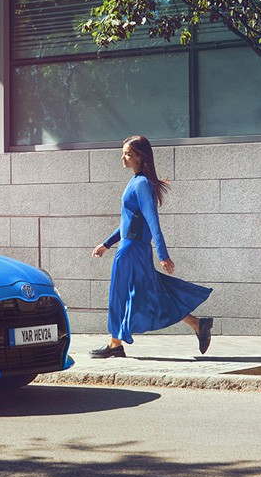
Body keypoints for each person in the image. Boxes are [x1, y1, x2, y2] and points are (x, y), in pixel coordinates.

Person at [89, 135, 213, 358]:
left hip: (132, 251)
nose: (123, 158)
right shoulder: (135, 181)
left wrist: (163, 255)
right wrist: (106, 244)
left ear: (140, 156)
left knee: (120, 295)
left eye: (128, 154)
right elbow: (127, 222)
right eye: (123, 153)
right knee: (152, 291)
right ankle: (197, 324)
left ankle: (115, 344)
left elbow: (152, 221)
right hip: (131, 248)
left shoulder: (142, 184)